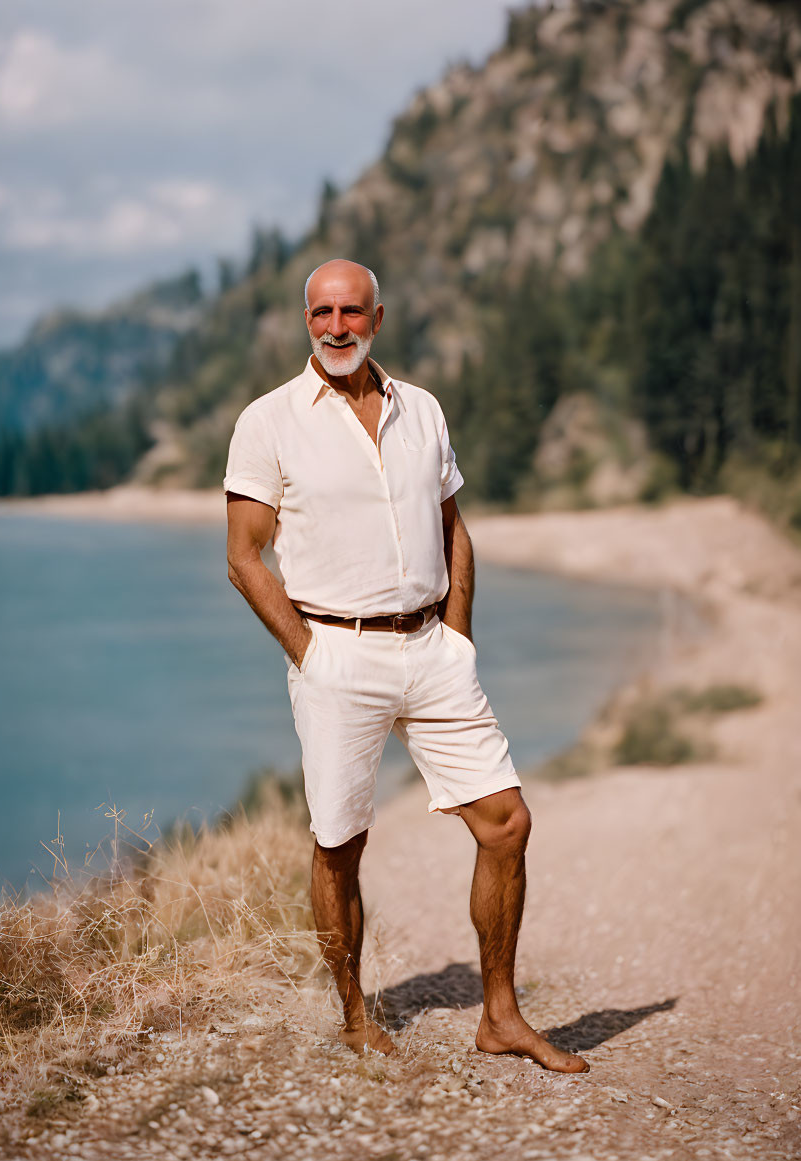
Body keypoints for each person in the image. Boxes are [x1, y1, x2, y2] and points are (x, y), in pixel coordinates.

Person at [223, 258, 588, 1072]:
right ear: (305, 319)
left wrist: (455, 633)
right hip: (335, 651)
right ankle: (353, 1014)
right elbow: (245, 557)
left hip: (431, 649)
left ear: (377, 318)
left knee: (506, 821)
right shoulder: (268, 419)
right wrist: (310, 652)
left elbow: (453, 524)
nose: (336, 326)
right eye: (321, 312)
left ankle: (498, 1014)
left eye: (351, 311)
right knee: (338, 843)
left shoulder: (420, 408)